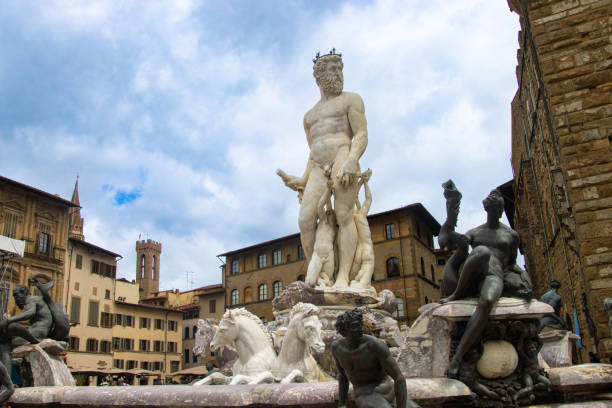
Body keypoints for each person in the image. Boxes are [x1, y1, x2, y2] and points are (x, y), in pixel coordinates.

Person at [278, 49, 368, 288]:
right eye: (332, 69)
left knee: (343, 215)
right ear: (319, 76)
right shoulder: (309, 116)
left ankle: (343, 277)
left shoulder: (352, 99)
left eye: (340, 68)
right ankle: (319, 276)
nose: (338, 73)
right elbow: (313, 151)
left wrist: (352, 159)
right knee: (305, 219)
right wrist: (302, 178)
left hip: (343, 156)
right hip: (318, 167)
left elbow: (361, 134)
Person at [439, 189, 531, 378]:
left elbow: (512, 264)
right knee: (481, 251)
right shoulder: (475, 232)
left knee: (487, 301)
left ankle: (457, 358)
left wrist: (524, 276)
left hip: (493, 276)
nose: (496, 210)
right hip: (473, 275)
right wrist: (451, 210)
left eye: (499, 207)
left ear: (501, 209)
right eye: (493, 206)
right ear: (486, 208)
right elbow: (445, 241)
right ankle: (457, 294)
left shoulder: (511, 236)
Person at [331, 309, 420, 408]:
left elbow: (399, 378)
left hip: (391, 392)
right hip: (366, 393)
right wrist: (342, 404)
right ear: (344, 331)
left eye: (360, 325)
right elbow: (342, 377)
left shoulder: (374, 345)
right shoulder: (337, 348)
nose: (360, 329)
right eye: (355, 326)